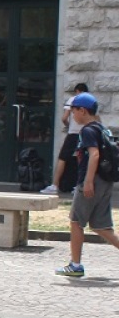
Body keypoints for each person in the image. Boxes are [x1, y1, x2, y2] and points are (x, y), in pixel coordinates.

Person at [54, 92, 119, 278]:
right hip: (105, 182)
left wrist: (88, 181)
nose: (72, 115)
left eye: (73, 111)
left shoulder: (88, 131)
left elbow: (95, 155)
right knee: (101, 227)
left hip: (93, 181)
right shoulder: (102, 128)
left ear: (82, 110)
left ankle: (75, 265)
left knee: (76, 222)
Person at [43, 83, 90, 195]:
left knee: (62, 158)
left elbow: (64, 118)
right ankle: (79, 185)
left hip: (73, 133)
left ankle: (55, 185)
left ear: (77, 91)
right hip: (85, 133)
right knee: (82, 159)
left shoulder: (73, 100)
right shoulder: (90, 101)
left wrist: (69, 125)